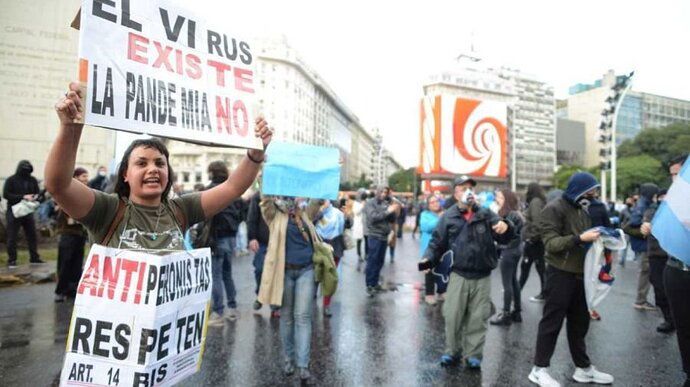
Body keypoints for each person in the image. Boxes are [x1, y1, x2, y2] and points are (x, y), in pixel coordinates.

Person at [45, 80, 271, 251]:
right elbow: (59, 186)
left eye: (160, 163)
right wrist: (70, 126)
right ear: (125, 174)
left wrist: (255, 153)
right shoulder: (106, 210)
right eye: (141, 163)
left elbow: (233, 188)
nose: (153, 169)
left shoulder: (181, 210)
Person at [528, 172, 614, 387]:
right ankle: (539, 369)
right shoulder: (553, 209)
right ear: (580, 190)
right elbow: (551, 244)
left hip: (581, 274)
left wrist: (601, 237)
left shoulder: (581, 208)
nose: (594, 194)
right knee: (551, 322)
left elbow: (584, 237)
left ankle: (583, 368)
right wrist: (580, 239)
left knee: (580, 324)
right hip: (560, 274)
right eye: (591, 190)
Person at [421, 175, 512, 370]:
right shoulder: (448, 216)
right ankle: (452, 351)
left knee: (478, 318)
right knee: (453, 315)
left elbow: (504, 235)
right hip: (459, 274)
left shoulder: (485, 213)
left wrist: (506, 226)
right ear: (456, 193)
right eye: (463, 188)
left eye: (470, 188)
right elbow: (437, 243)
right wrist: (427, 260)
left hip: (482, 276)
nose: (468, 191)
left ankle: (474, 355)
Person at [258, 197, 322, 382]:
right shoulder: (274, 214)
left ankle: (303, 364)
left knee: (303, 317)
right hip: (283, 272)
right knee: (286, 318)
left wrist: (331, 169)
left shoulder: (305, 213)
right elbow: (265, 201)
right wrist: (264, 172)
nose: (295, 197)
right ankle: (288, 359)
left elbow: (318, 199)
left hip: (306, 270)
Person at [654, 154, 690, 386]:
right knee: (684, 328)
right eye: (673, 176)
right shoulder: (675, 201)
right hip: (676, 271)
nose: (676, 180)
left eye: (680, 174)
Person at [206, 161, 247, 326]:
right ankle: (232, 308)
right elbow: (243, 212)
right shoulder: (234, 190)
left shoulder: (211, 189)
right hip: (231, 238)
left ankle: (218, 312)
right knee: (227, 274)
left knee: (215, 275)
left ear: (212, 173)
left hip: (216, 237)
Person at [638, 189, 674, 334]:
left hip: (672, 255)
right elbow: (642, 229)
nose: (663, 199)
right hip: (655, 255)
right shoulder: (651, 211)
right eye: (660, 196)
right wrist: (645, 228)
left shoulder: (675, 210)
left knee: (673, 290)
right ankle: (668, 319)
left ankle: (675, 319)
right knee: (659, 289)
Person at [54, 167, 89, 302]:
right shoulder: (68, 190)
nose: (86, 179)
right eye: (84, 176)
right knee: (65, 263)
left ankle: (72, 289)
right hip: (68, 233)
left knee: (77, 263)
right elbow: (64, 210)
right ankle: (60, 291)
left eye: (87, 176)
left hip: (80, 233)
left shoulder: (86, 192)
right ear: (76, 177)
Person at [490, 189, 524, 326]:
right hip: (517, 250)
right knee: (513, 280)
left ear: (506, 200)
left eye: (499, 197)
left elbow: (503, 235)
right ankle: (517, 312)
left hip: (509, 251)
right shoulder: (517, 214)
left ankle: (505, 314)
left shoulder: (508, 215)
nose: (497, 199)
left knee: (507, 283)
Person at [625, 183, 659, 311]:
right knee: (645, 272)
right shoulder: (643, 205)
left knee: (646, 272)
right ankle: (641, 300)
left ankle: (642, 299)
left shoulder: (642, 203)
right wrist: (647, 226)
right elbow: (633, 222)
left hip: (642, 245)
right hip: (644, 245)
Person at [3, 159, 43, 268]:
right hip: (14, 210)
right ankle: (12, 260)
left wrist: (35, 197)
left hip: (28, 210)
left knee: (32, 235)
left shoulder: (32, 180)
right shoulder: (11, 180)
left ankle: (34, 257)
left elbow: (37, 192)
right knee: (12, 236)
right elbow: (6, 194)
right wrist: (23, 197)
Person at [247, 189, 279, 317]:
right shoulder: (258, 196)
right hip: (263, 241)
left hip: (280, 242)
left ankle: (274, 305)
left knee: (277, 273)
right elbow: (252, 217)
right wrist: (252, 237)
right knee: (260, 269)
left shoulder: (285, 194)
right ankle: (260, 294)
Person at [364, 187, 400, 296]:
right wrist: (388, 210)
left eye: (386, 192)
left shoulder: (386, 203)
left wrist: (394, 210)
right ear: (378, 192)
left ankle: (375, 283)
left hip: (384, 236)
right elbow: (373, 217)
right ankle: (370, 285)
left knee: (380, 261)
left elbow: (391, 219)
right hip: (374, 236)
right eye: (382, 192)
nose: (384, 194)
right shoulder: (370, 203)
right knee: (372, 261)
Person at [313, 200, 345, 317]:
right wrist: (320, 211)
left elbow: (345, 227)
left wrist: (348, 217)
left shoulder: (337, 213)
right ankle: (312, 298)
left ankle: (326, 305)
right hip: (318, 247)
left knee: (329, 278)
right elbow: (310, 224)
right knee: (316, 274)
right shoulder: (314, 210)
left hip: (334, 248)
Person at [519, 182, 546, 302]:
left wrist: (531, 238)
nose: (525, 191)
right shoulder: (538, 201)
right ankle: (517, 289)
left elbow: (537, 222)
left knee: (535, 268)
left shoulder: (535, 202)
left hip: (534, 242)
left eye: (527, 188)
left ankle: (544, 294)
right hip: (536, 241)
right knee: (533, 267)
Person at [419, 195, 444, 305]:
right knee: (427, 271)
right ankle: (429, 295)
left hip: (442, 247)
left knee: (442, 270)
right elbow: (425, 228)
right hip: (427, 247)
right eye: (432, 202)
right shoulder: (424, 214)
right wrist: (439, 218)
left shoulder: (445, 213)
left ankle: (441, 292)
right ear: (428, 205)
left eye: (437, 201)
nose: (435, 204)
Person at [351, 190, 366, 262]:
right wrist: (362, 205)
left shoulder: (366, 202)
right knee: (359, 240)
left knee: (367, 239)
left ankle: (367, 254)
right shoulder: (356, 203)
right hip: (359, 224)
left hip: (366, 224)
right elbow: (356, 212)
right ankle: (359, 255)